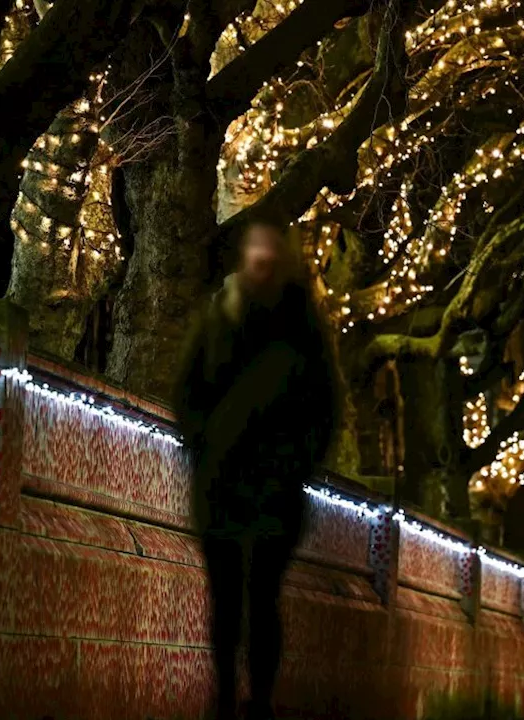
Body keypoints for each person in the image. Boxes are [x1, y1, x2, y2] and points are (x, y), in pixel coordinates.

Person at [174, 218, 332, 720]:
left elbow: (323, 407)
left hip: (274, 487)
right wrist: (203, 445)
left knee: (261, 596)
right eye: (253, 254)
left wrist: (296, 464)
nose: (259, 264)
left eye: (268, 255)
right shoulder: (220, 315)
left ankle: (257, 698)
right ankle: (225, 695)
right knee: (225, 596)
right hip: (222, 482)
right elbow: (188, 391)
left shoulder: (300, 327)